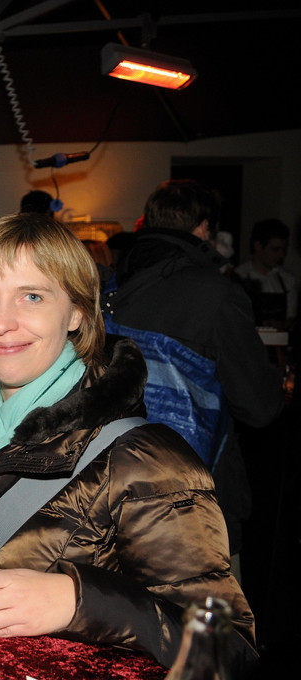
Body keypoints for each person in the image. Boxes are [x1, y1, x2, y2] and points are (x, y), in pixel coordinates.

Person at [0, 213, 257, 674]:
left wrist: (78, 601)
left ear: (77, 311)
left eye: (32, 296)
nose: (0, 323)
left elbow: (227, 648)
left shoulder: (143, 460)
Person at [104, 179, 283, 571]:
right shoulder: (216, 295)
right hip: (195, 504)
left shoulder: (111, 285)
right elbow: (260, 407)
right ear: (203, 229)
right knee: (210, 609)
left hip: (111, 493)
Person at [235, 217, 297, 328]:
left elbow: (291, 319)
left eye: (284, 249)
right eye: (275, 249)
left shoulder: (288, 280)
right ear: (258, 246)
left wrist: (282, 325)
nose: (281, 255)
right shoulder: (238, 277)